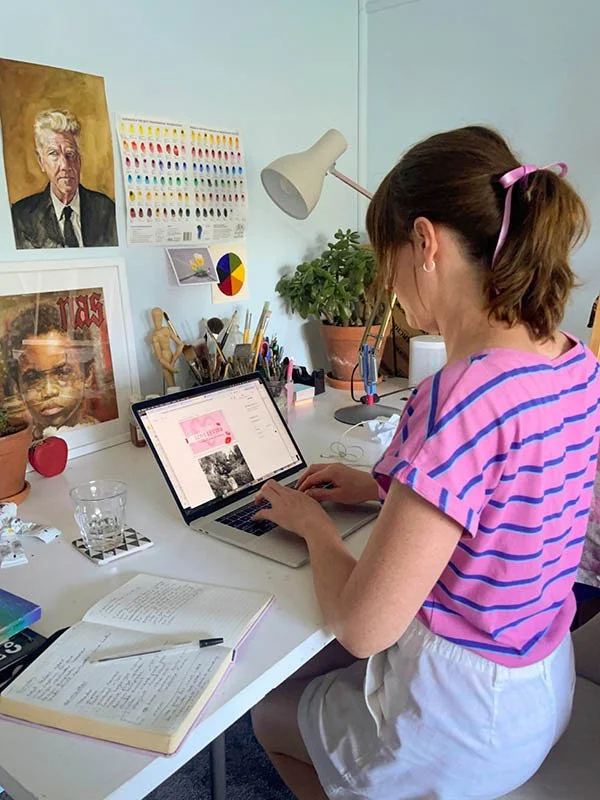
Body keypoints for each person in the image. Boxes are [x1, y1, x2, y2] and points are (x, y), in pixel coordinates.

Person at [250, 125, 600, 799]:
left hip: (461, 722)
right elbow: (510, 500)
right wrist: (383, 487)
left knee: (269, 713)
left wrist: (313, 526)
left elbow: (360, 628)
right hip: (541, 687)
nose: (388, 285)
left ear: (424, 242)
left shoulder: (461, 396)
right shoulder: (573, 362)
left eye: (388, 260)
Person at [11, 110, 117, 249]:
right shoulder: (21, 217)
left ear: (79, 160)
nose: (65, 166)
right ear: (41, 161)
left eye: (70, 154)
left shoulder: (106, 210)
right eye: (54, 154)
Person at [5, 303, 98, 440]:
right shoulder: (19, 449)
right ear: (18, 388)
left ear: (88, 375)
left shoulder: (106, 433)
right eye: (32, 378)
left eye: (63, 372)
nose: (48, 391)